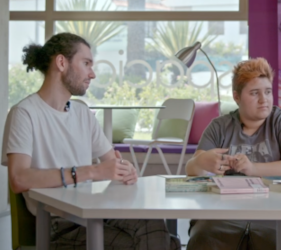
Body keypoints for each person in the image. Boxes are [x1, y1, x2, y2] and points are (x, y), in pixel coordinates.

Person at [1, 33, 180, 250]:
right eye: (86, 63)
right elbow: (19, 178)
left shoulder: (82, 113)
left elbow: (111, 162)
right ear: (61, 62)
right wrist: (91, 172)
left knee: (156, 228)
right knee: (160, 243)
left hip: (95, 211)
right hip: (58, 224)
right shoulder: (24, 113)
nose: (92, 74)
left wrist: (125, 170)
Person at [185, 57, 281, 250]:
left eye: (267, 92)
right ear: (236, 97)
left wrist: (253, 168)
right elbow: (191, 169)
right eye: (254, 93)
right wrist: (201, 162)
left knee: (275, 240)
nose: (263, 99)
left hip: (277, 211)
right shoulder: (219, 126)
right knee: (204, 237)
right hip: (224, 213)